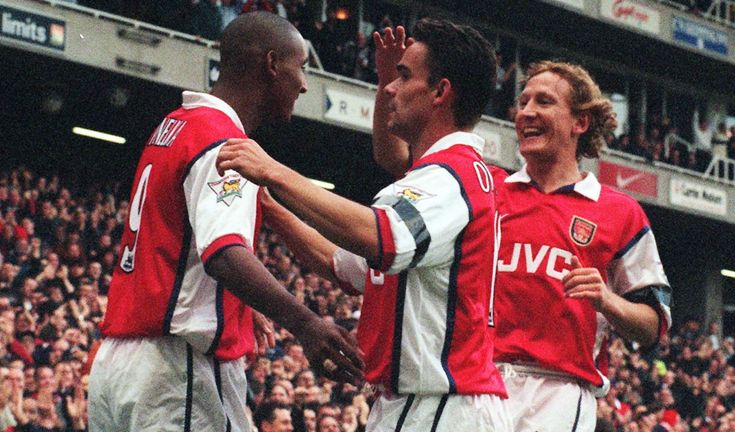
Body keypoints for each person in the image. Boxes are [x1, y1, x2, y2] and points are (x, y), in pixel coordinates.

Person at [217, 17, 508, 432]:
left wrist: (274, 172)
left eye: (403, 76)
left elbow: (380, 236)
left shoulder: (451, 177)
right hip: (421, 404)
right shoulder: (436, 179)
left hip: (443, 407)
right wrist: (270, 205)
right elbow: (337, 261)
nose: (389, 87)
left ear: (441, 92)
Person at [369, 32, 671, 432]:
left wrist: (607, 300)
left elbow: (652, 325)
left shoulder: (620, 212)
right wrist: (385, 85)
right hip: (477, 384)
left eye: (544, 102)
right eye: (523, 101)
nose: (526, 111)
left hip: (560, 393)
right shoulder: (486, 187)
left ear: (580, 122)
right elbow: (395, 157)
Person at [87, 12, 362, 432]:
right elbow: (223, 253)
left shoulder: (176, 125)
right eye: (301, 67)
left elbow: (178, 244)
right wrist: (306, 323)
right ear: (272, 64)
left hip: (120, 364)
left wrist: (232, 303)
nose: (304, 84)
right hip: (175, 370)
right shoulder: (225, 143)